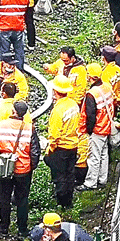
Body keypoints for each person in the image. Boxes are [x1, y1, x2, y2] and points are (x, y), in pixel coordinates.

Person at [0, 99, 39, 238]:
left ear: (13, 111)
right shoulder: (30, 128)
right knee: (22, 200)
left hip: (4, 169)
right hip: (23, 170)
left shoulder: (1, 125)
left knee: (4, 199)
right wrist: (31, 167)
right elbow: (35, 152)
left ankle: (4, 228)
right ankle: (22, 229)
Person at [44, 77, 82, 208]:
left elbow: (54, 134)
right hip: (73, 145)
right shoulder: (73, 104)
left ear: (56, 91)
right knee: (69, 174)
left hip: (61, 147)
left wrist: (50, 149)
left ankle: (62, 202)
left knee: (59, 176)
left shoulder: (58, 110)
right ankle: (69, 200)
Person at [82, 65, 116, 190]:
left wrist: (89, 131)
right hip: (106, 125)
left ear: (91, 76)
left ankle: (90, 183)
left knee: (94, 157)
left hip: (98, 129)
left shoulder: (91, 94)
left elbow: (90, 115)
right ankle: (102, 179)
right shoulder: (107, 86)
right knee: (104, 154)